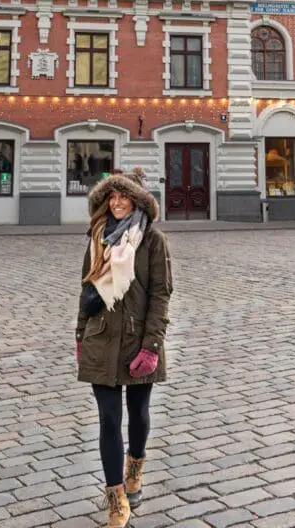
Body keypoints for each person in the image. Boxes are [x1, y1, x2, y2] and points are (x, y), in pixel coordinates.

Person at [76, 172, 172, 528]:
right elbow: (85, 291)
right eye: (111, 198)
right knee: (108, 419)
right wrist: (79, 335)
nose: (116, 204)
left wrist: (152, 346)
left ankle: (136, 465)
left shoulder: (152, 240)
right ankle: (116, 497)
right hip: (101, 338)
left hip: (137, 340)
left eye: (124, 198)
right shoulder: (96, 238)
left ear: (137, 201)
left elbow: (161, 296)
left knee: (139, 413)